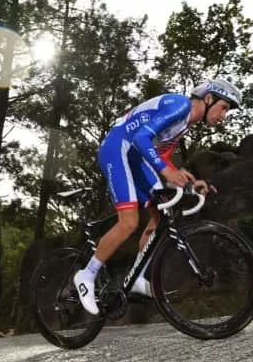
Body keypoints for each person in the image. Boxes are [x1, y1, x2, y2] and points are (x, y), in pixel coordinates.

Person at [74, 78, 243, 315]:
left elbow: (160, 157)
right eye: (223, 107)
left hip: (135, 155)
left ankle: (138, 277)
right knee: (129, 222)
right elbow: (141, 138)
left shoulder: (184, 125)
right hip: (117, 148)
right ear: (208, 98)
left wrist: (189, 181)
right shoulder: (181, 105)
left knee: (162, 212)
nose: (224, 115)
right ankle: (86, 275)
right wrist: (168, 172)